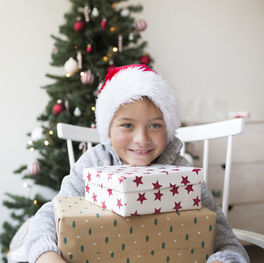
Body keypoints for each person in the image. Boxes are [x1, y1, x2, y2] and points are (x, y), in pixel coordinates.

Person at [24, 64, 249, 263]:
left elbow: (226, 240)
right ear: (108, 129)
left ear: (168, 128)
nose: (142, 139)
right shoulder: (94, 163)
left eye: (155, 125)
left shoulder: (184, 174)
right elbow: (51, 215)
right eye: (127, 125)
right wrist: (46, 255)